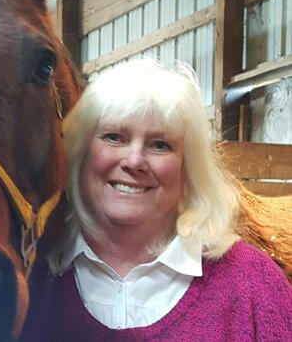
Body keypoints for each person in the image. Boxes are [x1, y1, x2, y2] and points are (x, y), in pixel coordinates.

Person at [21, 58, 292, 341]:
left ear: (189, 167)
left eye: (160, 145)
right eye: (114, 137)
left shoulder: (253, 285)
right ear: (79, 154)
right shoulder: (31, 284)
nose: (135, 161)